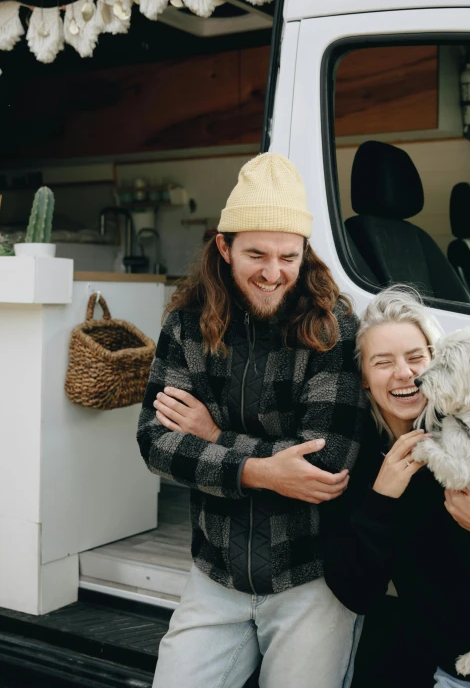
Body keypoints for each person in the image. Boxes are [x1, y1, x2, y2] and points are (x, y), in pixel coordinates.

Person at [137, 152, 367, 688]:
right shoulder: (186, 325)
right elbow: (155, 442)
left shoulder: (335, 328)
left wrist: (214, 437)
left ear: (305, 251)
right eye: (256, 254)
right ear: (224, 246)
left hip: (312, 580)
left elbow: (322, 465)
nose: (272, 272)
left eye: (288, 256)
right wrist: (260, 469)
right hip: (214, 571)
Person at [321, 286, 470, 688]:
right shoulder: (354, 463)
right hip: (448, 672)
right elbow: (356, 592)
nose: (406, 374)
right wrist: (382, 497)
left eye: (417, 357)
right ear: (362, 378)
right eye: (383, 362)